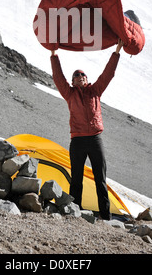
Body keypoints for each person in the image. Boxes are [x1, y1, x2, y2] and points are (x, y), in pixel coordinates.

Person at [50, 39, 124, 220]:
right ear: (73, 81)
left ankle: (106, 217)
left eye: (83, 75)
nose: (80, 76)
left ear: (87, 79)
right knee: (76, 179)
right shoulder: (69, 94)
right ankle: (74, 213)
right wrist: (53, 55)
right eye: (76, 76)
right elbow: (58, 78)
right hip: (78, 141)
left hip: (95, 139)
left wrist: (117, 51)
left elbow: (108, 73)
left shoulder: (96, 90)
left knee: (100, 179)